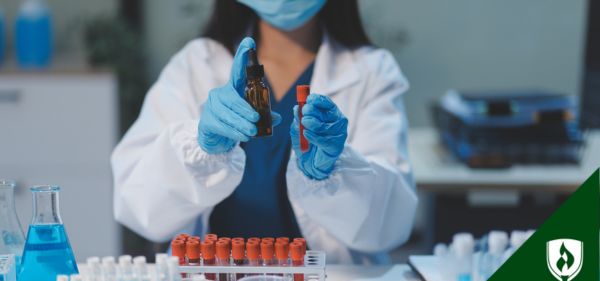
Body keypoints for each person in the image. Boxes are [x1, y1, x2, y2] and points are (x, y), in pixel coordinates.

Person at [111, 0, 417, 264]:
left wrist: (336, 172)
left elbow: (391, 224)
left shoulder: (372, 71)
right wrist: (200, 148)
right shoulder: (196, 64)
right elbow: (139, 206)